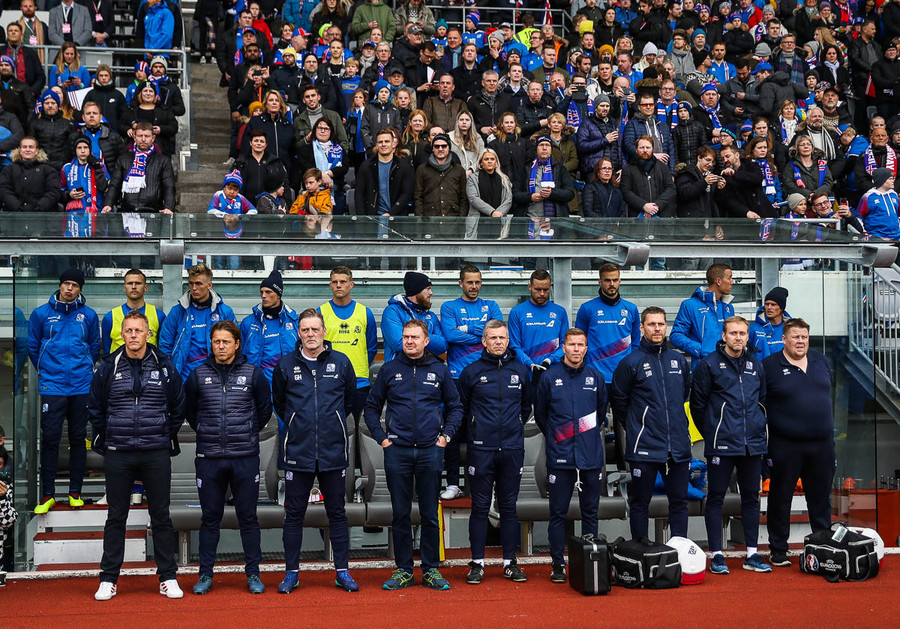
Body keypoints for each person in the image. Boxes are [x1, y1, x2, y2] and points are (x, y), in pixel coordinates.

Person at [88, 311, 184, 601]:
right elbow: (96, 407)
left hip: (155, 451)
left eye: (138, 330)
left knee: (161, 516)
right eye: (128, 330)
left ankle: (168, 577)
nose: (133, 335)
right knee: (116, 516)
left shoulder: (165, 365)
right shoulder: (108, 366)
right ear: (122, 334)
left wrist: (162, 433)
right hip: (119, 452)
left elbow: (179, 406)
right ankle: (108, 579)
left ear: (148, 334)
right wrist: (110, 436)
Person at [364, 319, 462, 591]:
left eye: (415, 337)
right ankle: (404, 570)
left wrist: (445, 437)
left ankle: (431, 569)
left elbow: (456, 407)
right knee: (400, 514)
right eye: (406, 336)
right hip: (397, 451)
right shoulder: (389, 369)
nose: (409, 341)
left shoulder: (440, 370)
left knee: (430, 513)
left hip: (431, 450)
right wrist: (383, 439)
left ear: (426, 341)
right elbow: (371, 408)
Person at [271, 308, 360, 593]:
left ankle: (342, 571)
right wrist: (298, 423)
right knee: (293, 514)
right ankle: (291, 574)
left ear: (324, 331)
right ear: (298, 333)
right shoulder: (285, 365)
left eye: (315, 329)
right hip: (298, 451)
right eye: (305, 330)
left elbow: (349, 402)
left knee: (338, 513)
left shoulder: (341, 362)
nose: (310, 334)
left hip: (333, 451)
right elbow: (280, 403)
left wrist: (332, 423)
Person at [185, 321, 271, 595]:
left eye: (226, 341)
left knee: (248, 518)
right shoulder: (197, 375)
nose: (221, 346)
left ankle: (253, 574)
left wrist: (246, 432)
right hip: (209, 457)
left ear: (237, 344)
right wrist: (208, 431)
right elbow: (190, 412)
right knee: (210, 518)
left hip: (244, 457)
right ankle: (205, 574)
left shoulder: (253, 374)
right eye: (216, 342)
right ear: (211, 344)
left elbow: (264, 411)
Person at [691, 316, 772, 575]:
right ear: (724, 336)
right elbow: (698, 406)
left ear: (748, 336)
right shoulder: (708, 364)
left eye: (742, 333)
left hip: (752, 444)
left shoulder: (755, 364)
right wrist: (713, 432)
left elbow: (761, 400)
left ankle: (752, 554)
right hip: (721, 444)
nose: (738, 337)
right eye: (733, 333)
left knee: (751, 498)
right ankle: (716, 555)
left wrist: (757, 428)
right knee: (716, 497)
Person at [457, 319, 530, 584]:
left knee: (509, 507)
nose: (498, 342)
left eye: (502, 338)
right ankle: (477, 563)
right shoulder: (471, 372)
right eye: (493, 338)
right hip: (481, 450)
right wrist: (477, 433)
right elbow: (461, 409)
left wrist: (513, 428)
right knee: (479, 507)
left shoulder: (521, 371)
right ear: (484, 341)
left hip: (512, 448)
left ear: (508, 341)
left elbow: (526, 407)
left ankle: (510, 563)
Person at [610, 306, 691, 542]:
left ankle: (679, 551)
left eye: (661, 324)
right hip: (644, 446)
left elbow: (684, 395)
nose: (657, 328)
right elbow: (619, 402)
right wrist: (638, 426)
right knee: (639, 503)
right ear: (642, 327)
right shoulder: (630, 363)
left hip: (677, 446)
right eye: (652, 324)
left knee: (679, 502)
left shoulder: (678, 360)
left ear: (667, 326)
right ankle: (641, 550)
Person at [534, 328, 607, 583]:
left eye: (580, 345)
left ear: (586, 348)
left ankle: (588, 563)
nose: (576, 349)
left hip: (590, 456)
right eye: (572, 344)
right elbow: (541, 416)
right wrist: (559, 437)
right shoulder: (549, 378)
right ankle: (557, 565)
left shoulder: (596, 378)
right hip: (560, 457)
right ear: (563, 348)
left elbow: (600, 414)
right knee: (558, 514)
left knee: (590, 513)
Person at [763, 318, 835, 568]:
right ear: (784, 339)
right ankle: (778, 549)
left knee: (820, 499)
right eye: (795, 337)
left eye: (804, 336)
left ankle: (821, 546)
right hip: (785, 446)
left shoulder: (820, 361)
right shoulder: (769, 366)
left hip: (822, 445)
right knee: (780, 499)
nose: (801, 341)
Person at [27, 268, 99, 514]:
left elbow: (94, 347)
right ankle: (48, 495)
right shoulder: (41, 314)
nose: (70, 288)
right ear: (60, 285)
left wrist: (84, 370)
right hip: (53, 386)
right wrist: (47, 372)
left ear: (80, 289)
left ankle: (74, 493)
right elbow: (33, 347)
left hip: (80, 386)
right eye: (66, 283)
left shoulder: (88, 315)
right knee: (50, 438)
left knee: (78, 438)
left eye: (75, 285)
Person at [438, 265, 504, 500]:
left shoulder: (492, 305)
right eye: (469, 282)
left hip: (486, 377)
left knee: (484, 431)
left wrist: (465, 329)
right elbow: (450, 335)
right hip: (457, 378)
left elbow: (495, 332)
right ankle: (453, 483)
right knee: (454, 431)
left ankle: (482, 482)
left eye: (477, 282)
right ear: (461, 283)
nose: (474, 286)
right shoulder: (449, 307)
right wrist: (481, 332)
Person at [159, 264, 237, 383]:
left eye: (199, 284)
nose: (194, 288)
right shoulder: (178, 311)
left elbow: (235, 344)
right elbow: (165, 344)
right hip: (184, 377)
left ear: (209, 285)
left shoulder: (224, 312)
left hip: (216, 376)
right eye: (191, 283)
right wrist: (171, 371)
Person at [319, 266, 377, 422]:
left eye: (343, 282)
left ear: (351, 285)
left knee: (359, 428)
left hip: (359, 382)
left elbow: (371, 348)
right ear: (330, 285)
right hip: (330, 381)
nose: (338, 285)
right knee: (332, 428)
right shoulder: (321, 312)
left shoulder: (365, 313)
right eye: (334, 282)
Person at [575, 263, 641, 396]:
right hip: (595, 375)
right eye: (607, 280)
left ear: (620, 281)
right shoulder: (587, 308)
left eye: (615, 280)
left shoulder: (631, 309)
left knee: (622, 411)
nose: (612, 284)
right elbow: (579, 341)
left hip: (623, 375)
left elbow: (635, 343)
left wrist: (631, 368)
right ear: (600, 282)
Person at [240, 270, 299, 388]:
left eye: (268, 292)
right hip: (257, 384)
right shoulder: (248, 323)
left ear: (278, 294)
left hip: (288, 384)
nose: (263, 296)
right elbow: (239, 355)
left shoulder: (294, 322)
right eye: (261, 292)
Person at [103, 122, 175, 215]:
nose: (143, 139)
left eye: (147, 136)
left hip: (153, 212)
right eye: (140, 136)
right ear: (134, 137)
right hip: (126, 211)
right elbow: (114, 185)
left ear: (153, 138)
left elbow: (169, 187)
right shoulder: (123, 159)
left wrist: (168, 207)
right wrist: (108, 204)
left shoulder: (163, 161)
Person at [671, 263, 736, 365]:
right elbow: (676, 336)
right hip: (703, 366)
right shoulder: (690, 305)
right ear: (718, 281)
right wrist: (702, 350)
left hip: (728, 366)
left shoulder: (728, 307)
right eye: (729, 278)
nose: (732, 282)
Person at [508, 269, 569, 372]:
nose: (542, 293)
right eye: (537, 289)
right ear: (530, 287)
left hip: (553, 372)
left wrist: (549, 360)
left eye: (545, 289)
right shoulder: (517, 312)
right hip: (526, 372)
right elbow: (514, 346)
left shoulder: (560, 312)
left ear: (550, 287)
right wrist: (530, 364)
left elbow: (565, 344)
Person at [381, 271, 447, 363]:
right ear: (416, 291)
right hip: (399, 368)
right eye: (428, 289)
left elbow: (443, 346)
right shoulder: (393, 311)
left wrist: (417, 337)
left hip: (426, 368)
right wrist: (424, 338)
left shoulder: (431, 316)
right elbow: (399, 343)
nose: (431, 293)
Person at [101, 269, 166, 356]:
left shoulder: (158, 316)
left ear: (145, 287)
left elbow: (162, 348)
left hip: (149, 363)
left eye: (138, 283)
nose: (134, 287)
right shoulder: (110, 317)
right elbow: (107, 351)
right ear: (124, 288)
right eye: (130, 283)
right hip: (119, 364)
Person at [356, 128, 414, 216]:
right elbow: (359, 194)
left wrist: (390, 213)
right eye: (380, 142)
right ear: (376, 145)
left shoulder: (404, 166)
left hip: (397, 217)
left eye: (387, 141)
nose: (383, 144)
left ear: (393, 144)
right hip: (373, 217)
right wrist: (362, 218)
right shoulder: (366, 166)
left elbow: (407, 194)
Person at [620, 135, 677, 220]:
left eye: (648, 147)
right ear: (636, 149)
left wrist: (657, 205)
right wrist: (643, 205)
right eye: (641, 147)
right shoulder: (628, 169)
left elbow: (671, 188)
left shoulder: (663, 167)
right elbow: (625, 191)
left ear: (653, 149)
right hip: (637, 216)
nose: (645, 150)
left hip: (661, 215)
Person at [0, 136, 62, 213]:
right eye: (24, 147)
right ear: (20, 150)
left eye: (31, 147)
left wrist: (40, 208)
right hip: (13, 215)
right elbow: (3, 189)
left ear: (37, 151)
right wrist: (16, 207)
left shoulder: (49, 170)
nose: (27, 149)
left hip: (42, 216)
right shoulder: (8, 170)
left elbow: (54, 191)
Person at [414, 132, 468, 217]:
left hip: (453, 220)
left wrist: (461, 219)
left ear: (449, 148)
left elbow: (464, 197)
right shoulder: (422, 169)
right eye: (436, 146)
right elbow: (418, 197)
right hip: (429, 219)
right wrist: (420, 219)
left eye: (444, 146)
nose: (440, 149)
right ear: (432, 149)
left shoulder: (458, 170)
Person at [856, 168, 900, 239]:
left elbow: (898, 215)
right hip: (877, 237)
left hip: (896, 237)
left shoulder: (894, 195)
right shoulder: (868, 197)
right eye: (890, 179)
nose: (893, 181)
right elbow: (858, 218)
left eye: (893, 178)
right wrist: (864, 233)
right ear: (881, 180)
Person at [748, 287, 790, 358]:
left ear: (781, 308)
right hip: (760, 365)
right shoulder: (754, 328)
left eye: (773, 304)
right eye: (767, 304)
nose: (769, 307)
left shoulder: (789, 328)